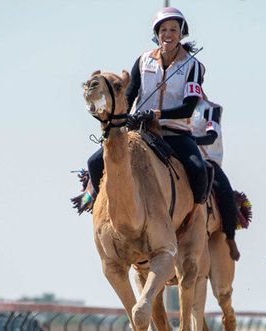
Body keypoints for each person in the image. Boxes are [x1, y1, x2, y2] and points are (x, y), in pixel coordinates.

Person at [71, 7, 208, 214]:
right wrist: (121, 117)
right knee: (94, 163)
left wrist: (155, 114)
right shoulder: (143, 60)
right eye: (163, 30)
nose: (168, 34)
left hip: (176, 134)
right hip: (140, 131)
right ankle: (102, 210)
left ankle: (193, 219)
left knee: (198, 171)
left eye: (173, 29)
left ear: (181, 33)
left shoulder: (194, 66)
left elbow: (188, 108)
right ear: (156, 34)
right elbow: (129, 95)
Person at [191, 96, 240, 260]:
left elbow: (211, 136)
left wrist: (190, 141)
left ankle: (230, 237)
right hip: (176, 155)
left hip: (206, 160)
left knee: (225, 193)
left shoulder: (211, 109)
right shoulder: (171, 104)